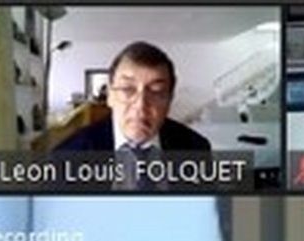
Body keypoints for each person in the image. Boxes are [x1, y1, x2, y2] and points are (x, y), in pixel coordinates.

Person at [52, 42, 212, 157]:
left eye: (156, 92)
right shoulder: (68, 155)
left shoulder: (197, 148)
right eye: (127, 89)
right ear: (110, 96)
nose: (140, 105)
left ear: (170, 99)